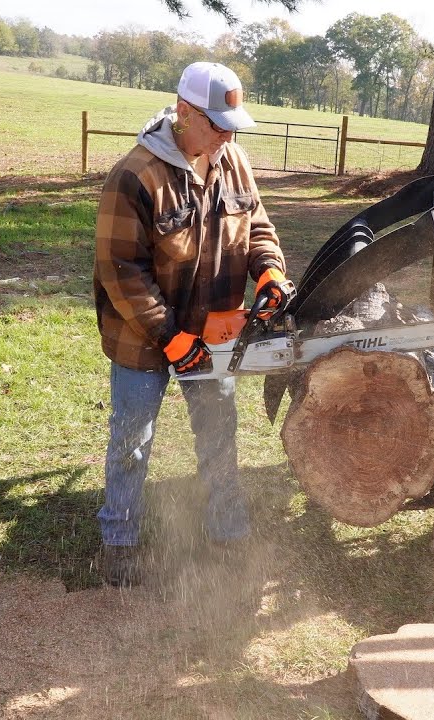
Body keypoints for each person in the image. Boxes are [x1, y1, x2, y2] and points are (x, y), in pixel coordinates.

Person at [92, 62, 293, 587]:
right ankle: (119, 542)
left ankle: (227, 532)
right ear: (183, 113)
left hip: (213, 334)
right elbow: (122, 273)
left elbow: (259, 227)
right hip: (144, 339)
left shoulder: (233, 162)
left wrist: (269, 271)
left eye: (232, 124)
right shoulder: (135, 175)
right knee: (133, 440)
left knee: (218, 433)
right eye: (216, 123)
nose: (227, 134)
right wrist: (170, 337)